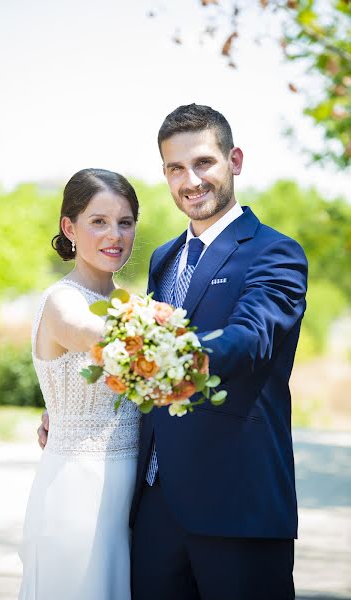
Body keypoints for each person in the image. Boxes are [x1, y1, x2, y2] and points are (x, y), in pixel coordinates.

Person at [39, 104, 308, 600]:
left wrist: (174, 353)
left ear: (235, 161)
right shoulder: (164, 258)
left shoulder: (274, 252)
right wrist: (71, 402)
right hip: (153, 508)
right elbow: (131, 363)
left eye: (203, 162)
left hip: (237, 505)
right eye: (175, 168)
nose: (191, 180)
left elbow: (251, 338)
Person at [19, 168, 141, 600]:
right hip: (77, 491)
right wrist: (164, 334)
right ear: (69, 227)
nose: (115, 235)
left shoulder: (130, 302)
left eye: (125, 222)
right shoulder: (63, 302)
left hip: (130, 497)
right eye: (99, 221)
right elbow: (91, 334)